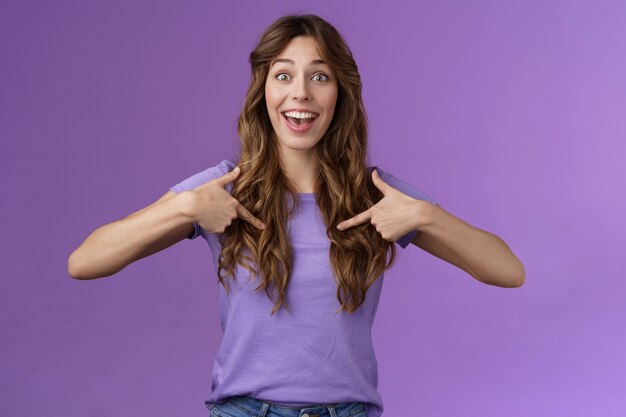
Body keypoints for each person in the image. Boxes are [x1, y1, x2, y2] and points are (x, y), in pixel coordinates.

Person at [68, 14, 525, 417]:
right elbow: (85, 262)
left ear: (340, 92)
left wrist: (426, 216)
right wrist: (184, 207)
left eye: (319, 77)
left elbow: (509, 271)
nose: (300, 93)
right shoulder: (225, 187)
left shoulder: (377, 194)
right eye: (283, 76)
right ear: (263, 91)